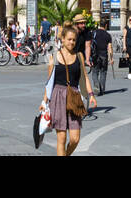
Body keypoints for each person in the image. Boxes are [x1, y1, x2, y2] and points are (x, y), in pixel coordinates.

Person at [40, 24, 97, 157]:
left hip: (74, 97)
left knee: (75, 138)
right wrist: (44, 102)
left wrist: (91, 94)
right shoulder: (54, 57)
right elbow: (49, 82)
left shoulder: (79, 56)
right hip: (58, 96)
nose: (72, 42)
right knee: (61, 138)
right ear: (63, 40)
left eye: (74, 40)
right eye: (69, 39)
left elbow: (85, 77)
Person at [87, 17, 112, 95]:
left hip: (95, 55)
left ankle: (96, 85)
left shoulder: (94, 33)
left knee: (95, 72)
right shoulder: (108, 35)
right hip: (104, 55)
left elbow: (89, 44)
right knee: (103, 72)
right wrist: (111, 58)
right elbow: (110, 48)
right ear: (106, 25)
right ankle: (102, 89)